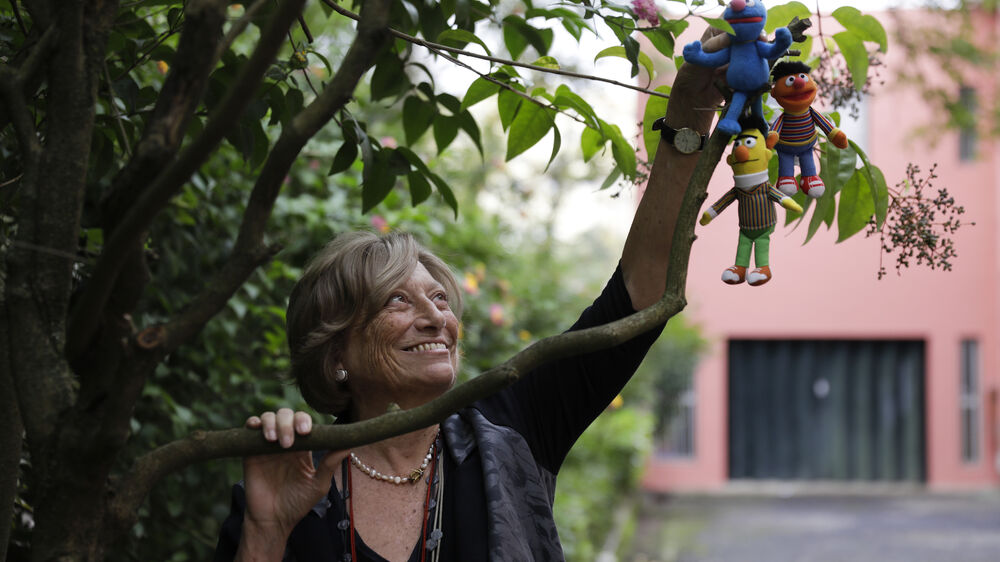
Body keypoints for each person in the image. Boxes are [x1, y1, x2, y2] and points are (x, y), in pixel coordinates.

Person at [214, 29, 726, 562]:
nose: (436, 318)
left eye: (439, 299)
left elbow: (639, 297)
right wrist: (268, 529)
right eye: (397, 301)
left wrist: (689, 110)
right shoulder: (292, 479)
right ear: (336, 352)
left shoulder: (512, 427)